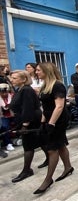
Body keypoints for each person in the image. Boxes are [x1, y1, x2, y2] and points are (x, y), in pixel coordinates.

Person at [34, 62, 73, 194]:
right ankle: (68, 167)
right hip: (50, 120)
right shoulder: (45, 85)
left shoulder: (57, 85)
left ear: (47, 71)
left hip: (58, 121)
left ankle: (48, 179)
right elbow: (46, 107)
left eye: (39, 70)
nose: (36, 72)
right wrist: (42, 122)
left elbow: (59, 106)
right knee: (60, 145)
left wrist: (51, 123)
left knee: (52, 149)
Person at [10, 70, 42, 182]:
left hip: (30, 122)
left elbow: (28, 108)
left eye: (14, 78)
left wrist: (25, 125)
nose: (11, 80)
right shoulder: (20, 89)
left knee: (28, 146)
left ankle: (27, 170)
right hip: (26, 120)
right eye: (12, 78)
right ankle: (49, 158)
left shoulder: (26, 90)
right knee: (41, 141)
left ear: (23, 79)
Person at [25, 62, 48, 168]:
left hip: (39, 107)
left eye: (29, 67)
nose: (27, 69)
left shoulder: (41, 80)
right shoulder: (26, 83)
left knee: (41, 137)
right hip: (34, 110)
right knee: (40, 138)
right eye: (26, 68)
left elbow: (43, 91)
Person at [0, 83, 15, 151]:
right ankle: (8, 143)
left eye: (5, 92)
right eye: (2, 92)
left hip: (14, 114)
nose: (4, 94)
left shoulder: (12, 96)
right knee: (4, 126)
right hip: (3, 116)